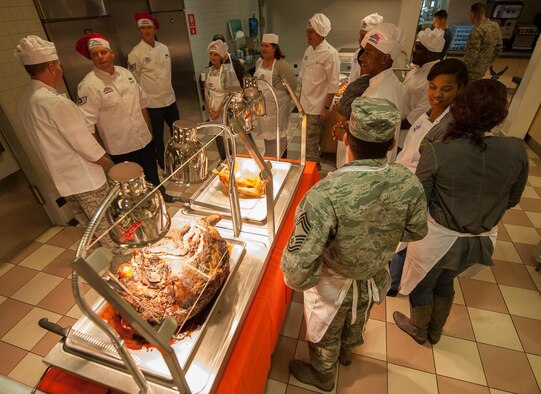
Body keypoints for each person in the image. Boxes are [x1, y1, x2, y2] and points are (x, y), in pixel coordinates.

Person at [281, 97, 428, 392]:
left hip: (334, 280)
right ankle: (347, 353)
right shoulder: (408, 181)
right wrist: (377, 243)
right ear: (390, 144)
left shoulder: (326, 193)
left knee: (326, 330)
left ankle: (323, 375)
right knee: (357, 317)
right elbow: (416, 231)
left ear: (346, 138)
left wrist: (310, 280)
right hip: (374, 274)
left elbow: (296, 269)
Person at [393, 79, 529, 346]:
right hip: (480, 241)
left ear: (460, 107)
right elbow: (512, 199)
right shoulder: (516, 149)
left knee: (424, 284)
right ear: (501, 114)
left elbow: (419, 199)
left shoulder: (438, 151)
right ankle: (436, 331)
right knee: (446, 281)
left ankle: (419, 329)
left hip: (438, 241)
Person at [14, 35, 117, 250]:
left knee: (88, 228)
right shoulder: (55, 103)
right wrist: (108, 163)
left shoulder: (25, 102)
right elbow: (83, 143)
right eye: (59, 65)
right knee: (107, 229)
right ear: (51, 67)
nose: (61, 69)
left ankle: (101, 265)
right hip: (87, 180)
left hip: (64, 181)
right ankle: (122, 267)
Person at [388, 58, 468, 296]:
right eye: (433, 87)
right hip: (405, 181)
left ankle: (393, 284)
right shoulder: (428, 114)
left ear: (461, 88)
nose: (437, 94)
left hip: (420, 189)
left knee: (406, 240)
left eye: (446, 89)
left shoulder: (452, 126)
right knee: (399, 237)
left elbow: (434, 168)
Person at [75, 33, 168, 201]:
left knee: (152, 173)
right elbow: (87, 125)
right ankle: (142, 211)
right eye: (94, 54)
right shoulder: (88, 85)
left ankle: (160, 196)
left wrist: (147, 127)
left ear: (112, 53)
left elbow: (142, 103)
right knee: (133, 187)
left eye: (103, 52)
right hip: (122, 147)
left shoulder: (126, 74)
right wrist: (98, 154)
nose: (100, 57)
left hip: (144, 139)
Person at [128, 12, 180, 170]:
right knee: (157, 136)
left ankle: (179, 156)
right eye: (143, 28)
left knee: (177, 131)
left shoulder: (163, 48)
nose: (146, 31)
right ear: (139, 30)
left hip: (170, 99)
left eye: (149, 27)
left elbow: (167, 73)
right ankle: (162, 161)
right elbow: (134, 82)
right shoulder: (135, 54)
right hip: (153, 104)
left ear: (154, 28)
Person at [356, 22, 406, 163]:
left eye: (368, 53)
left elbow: (369, 145)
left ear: (384, 59)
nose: (361, 58)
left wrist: (345, 133)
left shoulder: (380, 96)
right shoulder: (390, 82)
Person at [298, 13, 340, 169]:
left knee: (311, 145)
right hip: (304, 105)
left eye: (311, 32)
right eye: (307, 31)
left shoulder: (331, 54)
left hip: (317, 108)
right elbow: (303, 78)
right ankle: (308, 169)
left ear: (321, 33)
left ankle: (313, 172)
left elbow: (333, 84)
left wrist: (326, 108)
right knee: (305, 142)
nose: (308, 35)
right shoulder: (308, 51)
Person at [253, 33, 297, 158]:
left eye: (267, 46)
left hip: (278, 108)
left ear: (275, 48)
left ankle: (282, 160)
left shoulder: (281, 64)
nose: (263, 49)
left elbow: (293, 84)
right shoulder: (259, 63)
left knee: (279, 137)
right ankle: (271, 159)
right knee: (267, 136)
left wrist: (280, 94)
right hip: (264, 109)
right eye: (262, 46)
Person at [400, 28, 445, 134]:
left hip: (407, 130)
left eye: (418, 48)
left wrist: (395, 127)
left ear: (431, 53)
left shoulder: (434, 78)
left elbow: (421, 112)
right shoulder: (417, 69)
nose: (414, 52)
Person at [463, 2, 503, 82]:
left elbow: (472, 56)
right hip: (482, 69)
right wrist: (485, 61)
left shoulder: (477, 31)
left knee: (465, 91)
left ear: (472, 14)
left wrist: (460, 69)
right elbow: (499, 48)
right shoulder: (495, 26)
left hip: (470, 71)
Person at [348, 13, 383, 83]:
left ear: (374, 37)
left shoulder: (380, 59)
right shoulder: (359, 52)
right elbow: (353, 77)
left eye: (364, 36)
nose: (359, 39)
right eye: (360, 35)